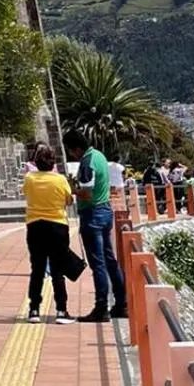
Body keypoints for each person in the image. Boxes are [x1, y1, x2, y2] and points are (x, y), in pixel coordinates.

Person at [65, 130, 127, 324]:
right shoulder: (100, 156)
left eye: (70, 151)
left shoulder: (87, 162)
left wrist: (72, 189)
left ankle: (101, 307)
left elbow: (87, 193)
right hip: (106, 210)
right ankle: (121, 303)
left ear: (76, 148)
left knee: (98, 263)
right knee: (110, 260)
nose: (71, 154)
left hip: (92, 214)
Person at [22, 144, 75, 324]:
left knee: (37, 269)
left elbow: (26, 194)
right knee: (57, 270)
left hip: (35, 226)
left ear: (36, 162)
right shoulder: (60, 180)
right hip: (57, 226)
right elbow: (68, 201)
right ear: (53, 162)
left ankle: (34, 310)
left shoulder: (29, 178)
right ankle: (61, 310)